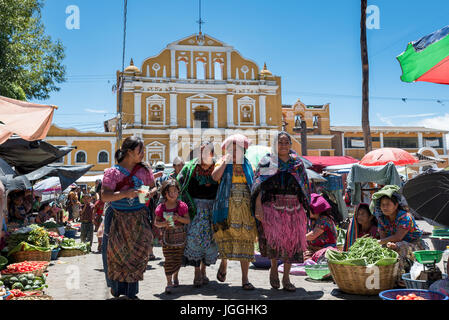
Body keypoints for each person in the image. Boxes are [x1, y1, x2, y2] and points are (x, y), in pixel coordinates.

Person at [251, 131, 311, 292]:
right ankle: (273, 269)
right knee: (274, 241)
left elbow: (304, 186)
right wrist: (258, 206)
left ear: (290, 145)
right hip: (272, 207)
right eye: (280, 142)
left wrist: (306, 208)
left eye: (286, 142)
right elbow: (258, 185)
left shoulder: (297, 164)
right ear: (274, 144)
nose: (283, 145)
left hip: (294, 208)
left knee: (291, 243)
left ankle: (286, 277)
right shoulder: (267, 161)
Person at [101, 136, 155, 300]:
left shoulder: (144, 170)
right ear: (129, 152)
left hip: (139, 218)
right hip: (117, 218)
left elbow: (152, 189)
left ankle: (132, 293)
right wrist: (126, 193)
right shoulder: (112, 172)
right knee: (117, 255)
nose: (143, 154)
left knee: (137, 254)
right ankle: (117, 291)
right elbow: (104, 196)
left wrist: (146, 194)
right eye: (140, 150)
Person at [211, 134, 257, 291]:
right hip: (227, 205)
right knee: (226, 236)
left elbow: (255, 186)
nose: (235, 152)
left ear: (244, 150)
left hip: (245, 206)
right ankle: (224, 263)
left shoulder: (249, 165)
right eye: (232, 149)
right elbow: (215, 176)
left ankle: (245, 279)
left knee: (246, 239)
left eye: (238, 149)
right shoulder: (222, 162)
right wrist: (225, 161)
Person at [178, 142, 219, 287]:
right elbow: (179, 185)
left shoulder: (218, 168)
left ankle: (204, 271)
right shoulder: (190, 168)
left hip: (212, 211)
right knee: (194, 239)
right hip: (194, 210)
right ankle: (196, 272)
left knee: (210, 241)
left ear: (212, 154)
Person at [370, 185, 427, 286]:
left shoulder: (405, 217)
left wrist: (381, 242)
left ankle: (401, 279)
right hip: (395, 244)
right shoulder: (382, 219)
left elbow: (398, 237)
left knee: (400, 246)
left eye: (388, 204)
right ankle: (384, 277)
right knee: (382, 250)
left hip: (415, 246)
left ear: (396, 205)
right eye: (382, 205)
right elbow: (383, 239)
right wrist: (384, 244)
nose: (385, 207)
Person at [154, 179, 190, 293]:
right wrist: (165, 224)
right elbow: (156, 222)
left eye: (175, 191)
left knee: (178, 259)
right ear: (165, 193)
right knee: (169, 259)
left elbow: (188, 220)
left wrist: (178, 218)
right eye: (170, 191)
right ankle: (169, 282)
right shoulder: (161, 208)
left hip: (180, 238)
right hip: (167, 238)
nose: (173, 194)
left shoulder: (182, 206)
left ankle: (175, 276)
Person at [304, 193, 338, 261]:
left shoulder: (324, 219)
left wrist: (297, 239)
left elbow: (312, 235)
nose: (306, 211)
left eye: (308, 209)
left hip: (326, 251)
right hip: (313, 250)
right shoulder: (311, 220)